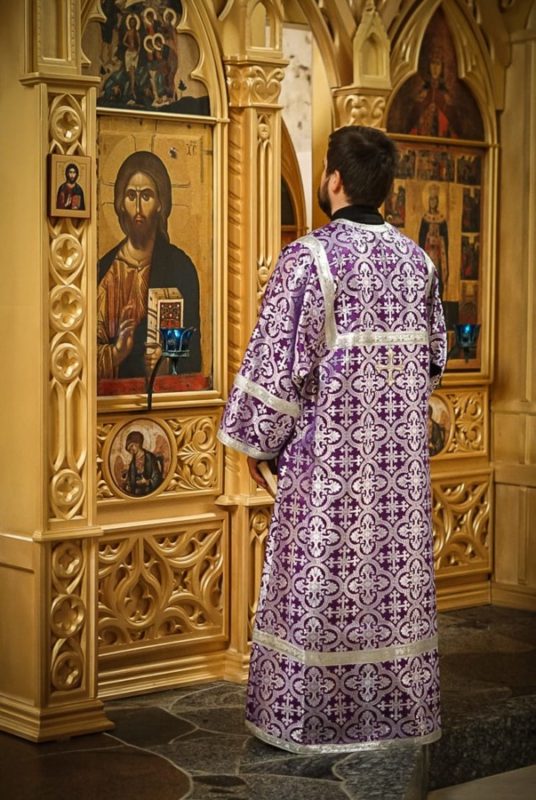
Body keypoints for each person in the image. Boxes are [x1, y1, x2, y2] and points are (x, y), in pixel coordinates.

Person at [218, 125, 447, 753]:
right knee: (391, 592)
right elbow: (434, 363)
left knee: (321, 590)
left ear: (335, 179)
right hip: (398, 481)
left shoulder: (309, 259)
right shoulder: (419, 263)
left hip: (325, 477)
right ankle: (394, 717)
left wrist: (259, 446)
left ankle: (312, 720)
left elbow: (276, 369)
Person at [97, 150, 200, 383]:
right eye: (130, 196)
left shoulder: (180, 269)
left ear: (161, 203)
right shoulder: (104, 271)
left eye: (146, 196)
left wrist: (168, 362)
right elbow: (82, 350)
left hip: (166, 397)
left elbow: (192, 351)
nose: (138, 208)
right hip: (114, 396)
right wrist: (116, 353)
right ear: (120, 203)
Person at [419, 183, 449, 296]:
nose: (433, 202)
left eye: (435, 200)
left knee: (438, 278)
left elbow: (446, 239)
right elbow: (421, 239)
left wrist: (439, 240)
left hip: (438, 255)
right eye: (431, 199)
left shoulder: (442, 219)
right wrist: (428, 238)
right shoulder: (425, 219)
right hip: (428, 252)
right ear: (428, 201)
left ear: (438, 201)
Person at [123, 430, 163, 496]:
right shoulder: (132, 464)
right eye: (129, 449)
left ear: (138, 444)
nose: (131, 450)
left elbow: (157, 476)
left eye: (132, 446)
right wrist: (128, 484)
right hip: (136, 494)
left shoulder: (150, 457)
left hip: (150, 492)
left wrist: (147, 482)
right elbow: (130, 481)